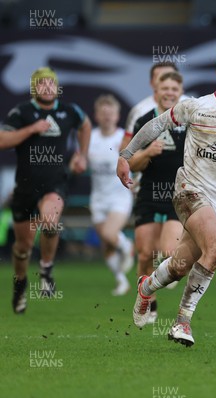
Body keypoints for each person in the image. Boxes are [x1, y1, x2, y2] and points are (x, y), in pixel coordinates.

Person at [117, 48, 216, 347]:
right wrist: (126, 154)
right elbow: (156, 125)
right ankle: (182, 322)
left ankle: (146, 287)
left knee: (179, 266)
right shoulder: (196, 107)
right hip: (189, 191)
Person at [0, 67, 91, 313]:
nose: (48, 87)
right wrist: (31, 129)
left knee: (51, 222)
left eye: (52, 83)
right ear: (34, 88)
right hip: (26, 187)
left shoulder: (69, 111)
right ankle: (19, 286)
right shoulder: (22, 113)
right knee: (22, 249)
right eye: (42, 84)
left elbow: (85, 124)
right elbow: (2, 140)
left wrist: (81, 155)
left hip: (55, 183)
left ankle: (46, 267)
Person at [129, 71, 187, 324]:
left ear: (180, 92)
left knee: (169, 251)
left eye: (175, 88)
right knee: (144, 254)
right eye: (165, 88)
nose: (170, 92)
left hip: (178, 195)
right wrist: (148, 152)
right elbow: (132, 163)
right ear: (157, 91)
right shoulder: (145, 121)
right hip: (149, 194)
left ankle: (159, 278)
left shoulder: (190, 121)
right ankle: (147, 302)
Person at [87, 94, 134, 296]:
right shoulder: (90, 138)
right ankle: (121, 281)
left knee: (109, 234)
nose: (107, 117)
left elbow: (137, 162)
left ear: (117, 115)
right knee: (106, 244)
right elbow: (78, 160)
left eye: (111, 113)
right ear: (97, 116)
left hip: (120, 197)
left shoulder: (124, 138)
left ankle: (128, 246)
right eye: (103, 113)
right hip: (98, 198)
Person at [120, 62, 179, 151]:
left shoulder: (191, 106)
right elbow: (125, 151)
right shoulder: (139, 111)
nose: (167, 80)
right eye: (161, 77)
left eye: (171, 76)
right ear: (152, 83)